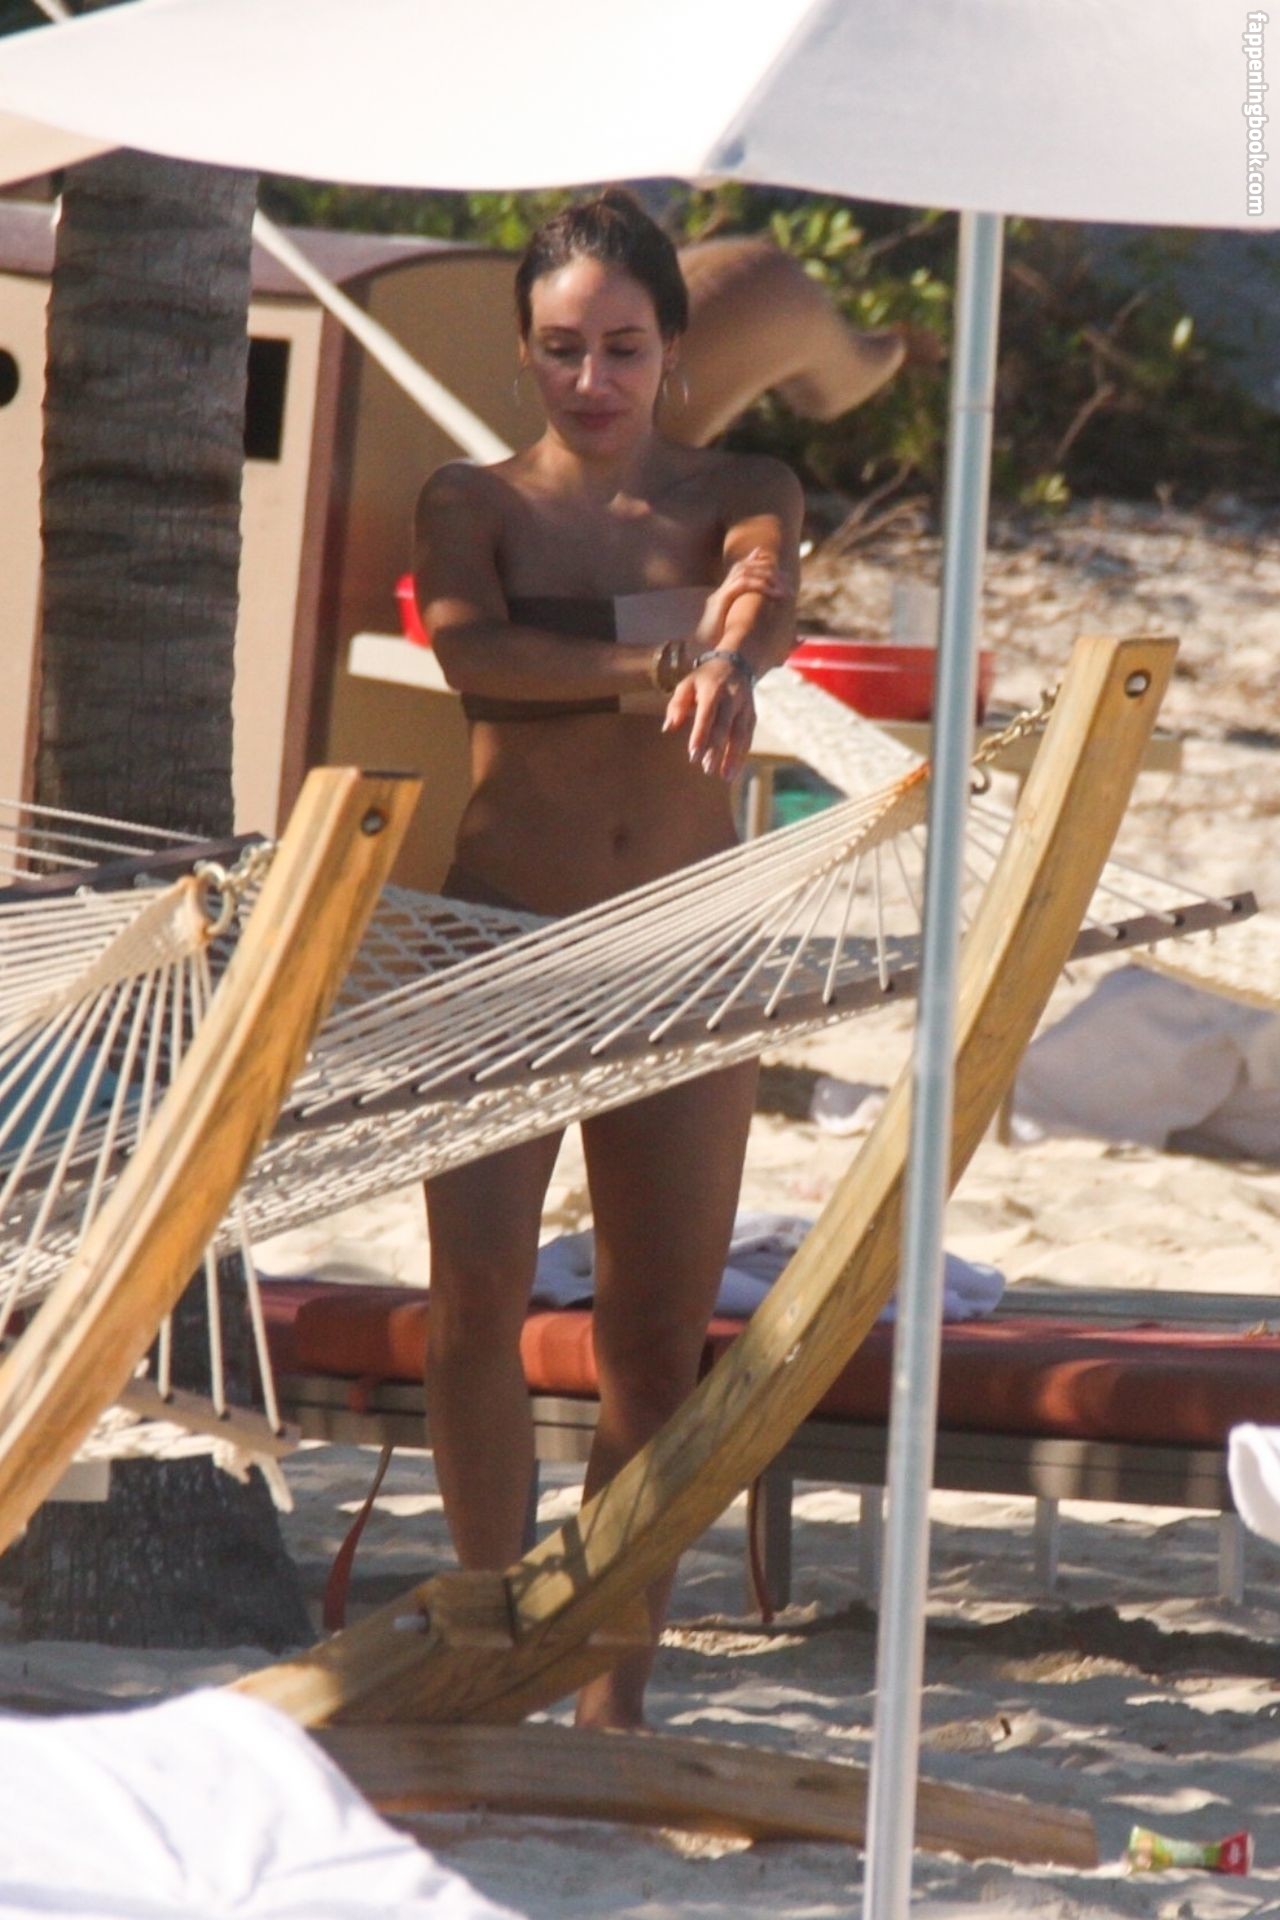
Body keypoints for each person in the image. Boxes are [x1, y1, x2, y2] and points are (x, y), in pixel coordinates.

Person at [413, 189, 802, 1730]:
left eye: (624, 347)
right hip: (503, 946)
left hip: (685, 954)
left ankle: (609, 1696)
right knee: (475, 1305)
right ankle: (491, 1651)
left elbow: (765, 586)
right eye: (563, 348)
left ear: (673, 347)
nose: (593, 378)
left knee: (653, 1342)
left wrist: (737, 638)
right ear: (523, 353)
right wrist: (665, 662)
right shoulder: (474, 501)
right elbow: (474, 650)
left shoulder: (742, 488)